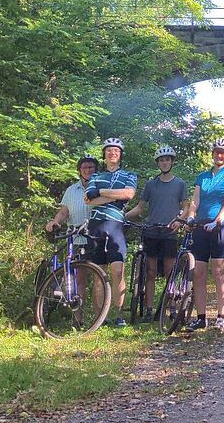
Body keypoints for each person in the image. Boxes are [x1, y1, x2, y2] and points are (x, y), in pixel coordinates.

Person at [125, 145, 188, 322]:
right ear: (158, 163)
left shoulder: (180, 184)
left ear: (172, 162)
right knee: (150, 272)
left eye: (167, 159)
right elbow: (139, 208)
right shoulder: (151, 184)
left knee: (170, 271)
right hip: (151, 230)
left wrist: (180, 220)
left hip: (169, 232)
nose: (164, 162)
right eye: (161, 160)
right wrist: (122, 216)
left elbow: (185, 206)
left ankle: (172, 308)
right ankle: (149, 309)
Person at [183, 138, 224, 332]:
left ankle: (221, 316)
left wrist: (217, 221)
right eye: (217, 152)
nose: (220, 155)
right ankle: (201, 317)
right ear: (213, 153)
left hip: (220, 229)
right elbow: (195, 202)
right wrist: (190, 217)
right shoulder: (202, 177)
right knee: (198, 273)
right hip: (200, 227)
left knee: (218, 272)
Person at [84, 137, 138, 327]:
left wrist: (102, 193)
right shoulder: (95, 177)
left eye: (116, 150)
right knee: (98, 272)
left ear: (120, 154)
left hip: (116, 225)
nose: (112, 153)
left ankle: (119, 314)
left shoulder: (130, 175)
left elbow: (129, 194)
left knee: (117, 271)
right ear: (104, 154)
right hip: (96, 224)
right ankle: (100, 317)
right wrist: (116, 195)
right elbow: (89, 200)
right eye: (108, 150)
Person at [45, 155, 98, 233]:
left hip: (96, 237)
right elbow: (63, 213)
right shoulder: (71, 190)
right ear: (79, 170)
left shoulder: (102, 189)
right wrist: (55, 221)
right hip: (74, 237)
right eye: (84, 167)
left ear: (96, 169)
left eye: (90, 167)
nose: (87, 170)